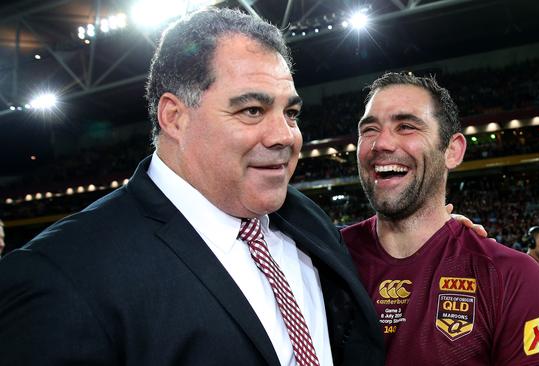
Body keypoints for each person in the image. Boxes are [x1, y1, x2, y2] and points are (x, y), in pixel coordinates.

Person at [0, 8, 384, 365]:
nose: (285, 135)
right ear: (174, 117)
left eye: (291, 113)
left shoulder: (307, 220)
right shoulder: (62, 275)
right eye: (252, 110)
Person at [341, 72, 539, 365]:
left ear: (453, 150)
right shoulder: (321, 260)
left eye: (406, 126)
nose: (381, 143)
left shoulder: (512, 276)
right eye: (369, 129)